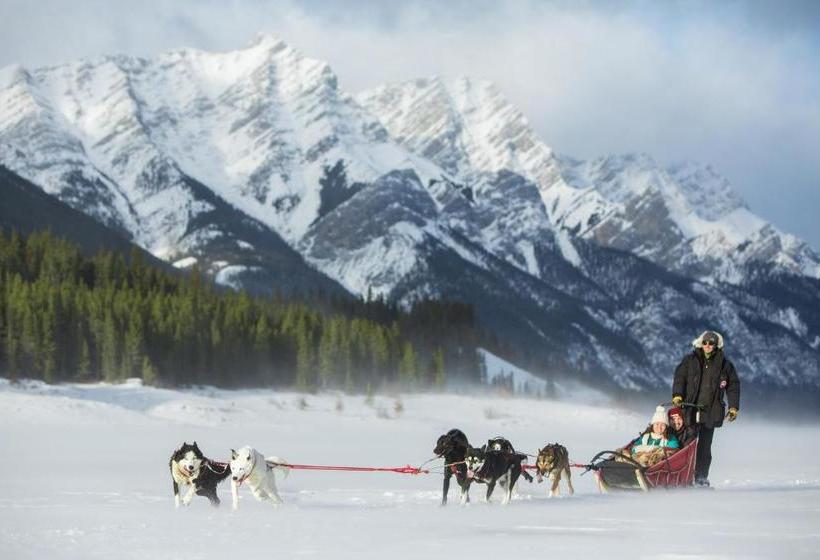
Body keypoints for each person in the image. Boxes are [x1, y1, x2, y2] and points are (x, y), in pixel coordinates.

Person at [672, 330, 740, 487]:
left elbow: (733, 386)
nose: (708, 345)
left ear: (717, 345)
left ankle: (701, 478)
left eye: (711, 343)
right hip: (689, 410)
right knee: (685, 445)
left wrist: (733, 407)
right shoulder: (690, 361)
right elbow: (679, 378)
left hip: (710, 412)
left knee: (704, 447)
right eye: (705, 342)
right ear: (700, 343)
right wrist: (677, 395)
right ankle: (680, 476)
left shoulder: (725, 365)